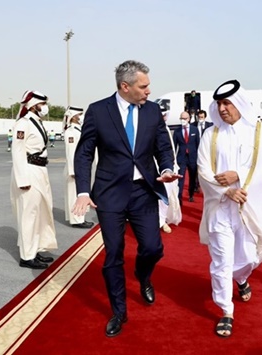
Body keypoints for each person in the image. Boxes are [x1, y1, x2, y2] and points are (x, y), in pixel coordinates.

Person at [72, 60, 180, 337]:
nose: (148, 91)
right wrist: (83, 190)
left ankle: (143, 276)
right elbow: (84, 153)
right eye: (143, 86)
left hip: (143, 191)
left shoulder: (153, 111)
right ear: (125, 86)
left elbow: (163, 148)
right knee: (114, 253)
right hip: (109, 194)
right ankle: (119, 311)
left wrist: (167, 168)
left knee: (153, 248)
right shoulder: (98, 111)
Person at [197, 79, 262, 337]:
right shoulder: (210, 135)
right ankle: (226, 310)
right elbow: (203, 170)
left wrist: (239, 177)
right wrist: (226, 190)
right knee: (221, 260)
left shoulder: (258, 131)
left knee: (252, 254)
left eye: (227, 103)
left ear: (239, 103)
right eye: (219, 103)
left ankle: (242, 278)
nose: (222, 109)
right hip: (220, 207)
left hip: (248, 208)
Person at [10, 90, 57, 270]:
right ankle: (27, 256)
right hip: (28, 171)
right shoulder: (23, 123)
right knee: (29, 214)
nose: (45, 107)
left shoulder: (36, 122)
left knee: (40, 213)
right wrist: (22, 179)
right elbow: (18, 150)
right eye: (42, 104)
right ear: (33, 105)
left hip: (40, 170)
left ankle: (35, 249)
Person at [63, 106, 94, 229]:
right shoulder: (71, 131)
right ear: (74, 116)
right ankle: (76, 219)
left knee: (77, 193)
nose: (81, 116)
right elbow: (71, 152)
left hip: (78, 167)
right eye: (80, 114)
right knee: (73, 194)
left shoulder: (78, 130)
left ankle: (79, 217)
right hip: (74, 169)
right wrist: (73, 170)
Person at [158, 112, 182, 233]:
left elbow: (170, 149)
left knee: (173, 193)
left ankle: (166, 218)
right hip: (160, 168)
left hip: (172, 166)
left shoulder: (166, 128)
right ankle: (161, 221)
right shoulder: (152, 129)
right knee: (163, 196)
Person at [173, 111, 200, 204]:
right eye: (181, 118)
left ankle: (191, 194)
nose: (183, 120)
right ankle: (179, 197)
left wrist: (199, 158)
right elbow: (174, 146)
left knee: (192, 178)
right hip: (182, 158)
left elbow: (198, 145)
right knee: (181, 178)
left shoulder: (194, 130)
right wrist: (173, 159)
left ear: (188, 119)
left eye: (184, 119)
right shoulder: (177, 131)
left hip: (192, 158)